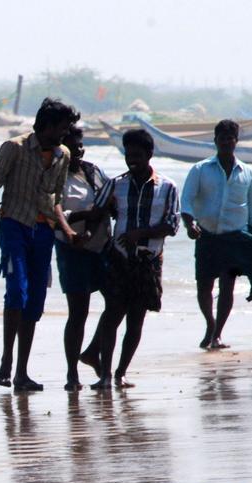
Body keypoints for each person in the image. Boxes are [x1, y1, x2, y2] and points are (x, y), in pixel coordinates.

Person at [0, 98, 81, 392]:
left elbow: (56, 199)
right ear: (47, 125)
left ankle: (21, 372)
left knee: (34, 302)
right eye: (62, 128)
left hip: (44, 232)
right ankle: (6, 361)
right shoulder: (14, 148)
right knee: (16, 292)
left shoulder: (63, 154)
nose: (65, 134)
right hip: (14, 226)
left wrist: (67, 230)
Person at [81, 129, 179, 389]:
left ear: (149, 154)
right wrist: (77, 227)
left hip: (149, 261)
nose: (132, 160)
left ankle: (121, 373)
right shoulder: (115, 184)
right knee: (112, 315)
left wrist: (140, 234)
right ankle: (104, 375)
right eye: (128, 155)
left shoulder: (167, 187)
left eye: (137, 155)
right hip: (120, 259)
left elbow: (171, 226)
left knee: (136, 320)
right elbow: (97, 213)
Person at [181, 119, 252, 350]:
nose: (226, 142)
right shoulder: (200, 170)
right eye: (222, 138)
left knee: (227, 287)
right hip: (206, 237)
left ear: (236, 141)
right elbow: (186, 202)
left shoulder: (248, 174)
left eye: (230, 138)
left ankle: (218, 334)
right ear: (215, 141)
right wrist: (190, 225)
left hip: (235, 239)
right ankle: (209, 324)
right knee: (204, 287)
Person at [55, 125, 111, 391]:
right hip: (72, 249)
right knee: (78, 313)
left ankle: (92, 352)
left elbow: (109, 198)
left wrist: (96, 219)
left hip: (102, 246)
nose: (77, 150)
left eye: (80, 145)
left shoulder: (94, 171)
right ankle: (71, 374)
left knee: (117, 301)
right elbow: (54, 213)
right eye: (71, 145)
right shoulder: (55, 175)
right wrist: (84, 217)